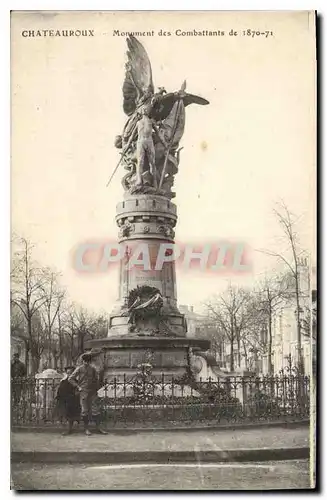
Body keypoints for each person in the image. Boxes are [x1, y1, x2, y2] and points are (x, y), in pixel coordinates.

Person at [68, 353, 107, 436]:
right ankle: (86, 429)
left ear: (90, 361)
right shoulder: (79, 369)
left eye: (88, 361)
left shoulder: (92, 369)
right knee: (84, 410)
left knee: (95, 410)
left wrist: (96, 388)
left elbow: (95, 379)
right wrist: (78, 387)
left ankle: (99, 428)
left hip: (92, 392)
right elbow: (70, 379)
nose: (86, 363)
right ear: (83, 361)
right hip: (83, 392)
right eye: (85, 361)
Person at [54, 366, 81, 436]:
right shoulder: (63, 381)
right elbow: (60, 390)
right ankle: (66, 427)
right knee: (63, 413)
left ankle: (69, 429)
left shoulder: (76, 382)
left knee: (70, 414)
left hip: (72, 400)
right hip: (63, 400)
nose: (69, 374)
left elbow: (77, 392)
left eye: (71, 373)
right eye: (68, 373)